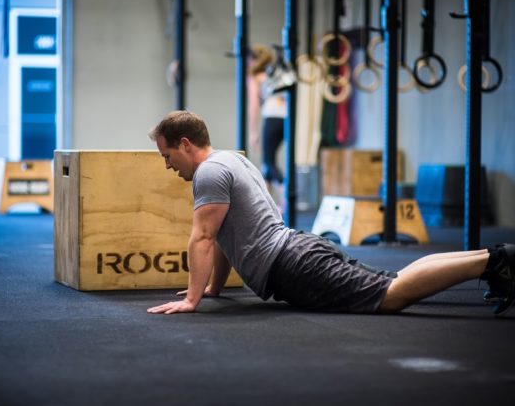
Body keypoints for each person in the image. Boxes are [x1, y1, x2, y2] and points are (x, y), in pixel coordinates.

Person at [146, 110, 515, 316]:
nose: (167, 166)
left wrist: (191, 300)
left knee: (394, 294)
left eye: (167, 156)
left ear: (185, 144)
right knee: (395, 279)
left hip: (292, 265)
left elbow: (204, 236)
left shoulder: (208, 173)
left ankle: (495, 260)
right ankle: (491, 257)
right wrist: (212, 286)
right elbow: (224, 235)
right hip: (297, 251)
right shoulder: (231, 160)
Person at [247, 44, 287, 212]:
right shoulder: (275, 73)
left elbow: (254, 105)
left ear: (252, 60)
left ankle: (284, 196)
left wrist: (253, 131)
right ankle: (267, 203)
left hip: (271, 116)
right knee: (268, 162)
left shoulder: (255, 76)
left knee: (268, 161)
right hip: (285, 117)